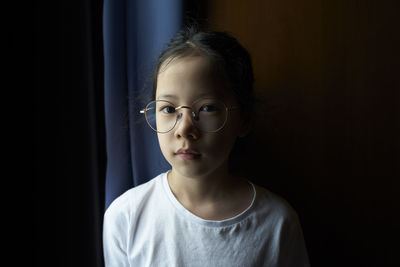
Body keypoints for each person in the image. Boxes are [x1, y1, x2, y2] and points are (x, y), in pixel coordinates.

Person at [103, 26, 310, 267]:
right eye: (169, 109)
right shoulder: (126, 217)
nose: (184, 129)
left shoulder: (277, 223)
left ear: (243, 119)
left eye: (207, 108)